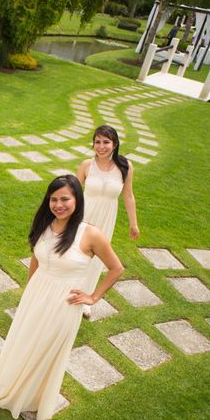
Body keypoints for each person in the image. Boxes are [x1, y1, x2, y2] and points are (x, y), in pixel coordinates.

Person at [0, 175, 124, 420]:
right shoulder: (45, 224)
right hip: (37, 293)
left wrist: (93, 297)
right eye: (53, 199)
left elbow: (117, 268)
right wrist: (30, 289)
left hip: (64, 302)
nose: (58, 205)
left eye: (65, 199)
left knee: (45, 346)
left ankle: (31, 395)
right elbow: (36, 257)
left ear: (77, 200)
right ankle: (13, 380)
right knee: (26, 338)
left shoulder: (91, 234)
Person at [76, 125, 138, 316]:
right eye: (97, 142)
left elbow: (128, 196)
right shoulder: (86, 165)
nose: (101, 146)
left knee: (97, 259)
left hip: (106, 218)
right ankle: (67, 290)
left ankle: (86, 299)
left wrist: (133, 223)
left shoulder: (125, 167)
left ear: (115, 144)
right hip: (84, 216)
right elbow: (74, 193)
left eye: (106, 142)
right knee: (78, 254)